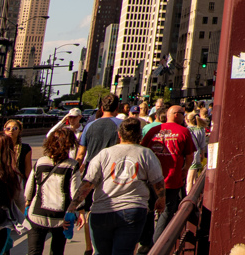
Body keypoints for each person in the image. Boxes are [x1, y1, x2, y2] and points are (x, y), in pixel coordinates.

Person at [71, 119, 165, 255]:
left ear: (119, 135)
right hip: (133, 209)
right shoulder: (146, 154)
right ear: (140, 135)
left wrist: (73, 206)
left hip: (102, 210)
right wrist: (161, 199)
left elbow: (88, 183)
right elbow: (158, 182)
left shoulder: (104, 154)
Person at [25, 128, 80, 255]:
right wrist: (76, 213)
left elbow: (29, 190)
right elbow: (75, 193)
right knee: (57, 251)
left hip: (37, 215)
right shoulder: (72, 165)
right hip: (61, 218)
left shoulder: (40, 162)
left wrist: (27, 204)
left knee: (34, 251)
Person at [142, 107, 192, 243]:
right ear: (176, 115)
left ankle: (146, 242)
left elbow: (143, 150)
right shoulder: (184, 131)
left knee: (148, 209)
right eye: (183, 114)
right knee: (166, 212)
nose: (184, 117)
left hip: (151, 179)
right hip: (171, 179)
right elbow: (189, 156)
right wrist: (185, 170)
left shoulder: (153, 131)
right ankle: (157, 244)